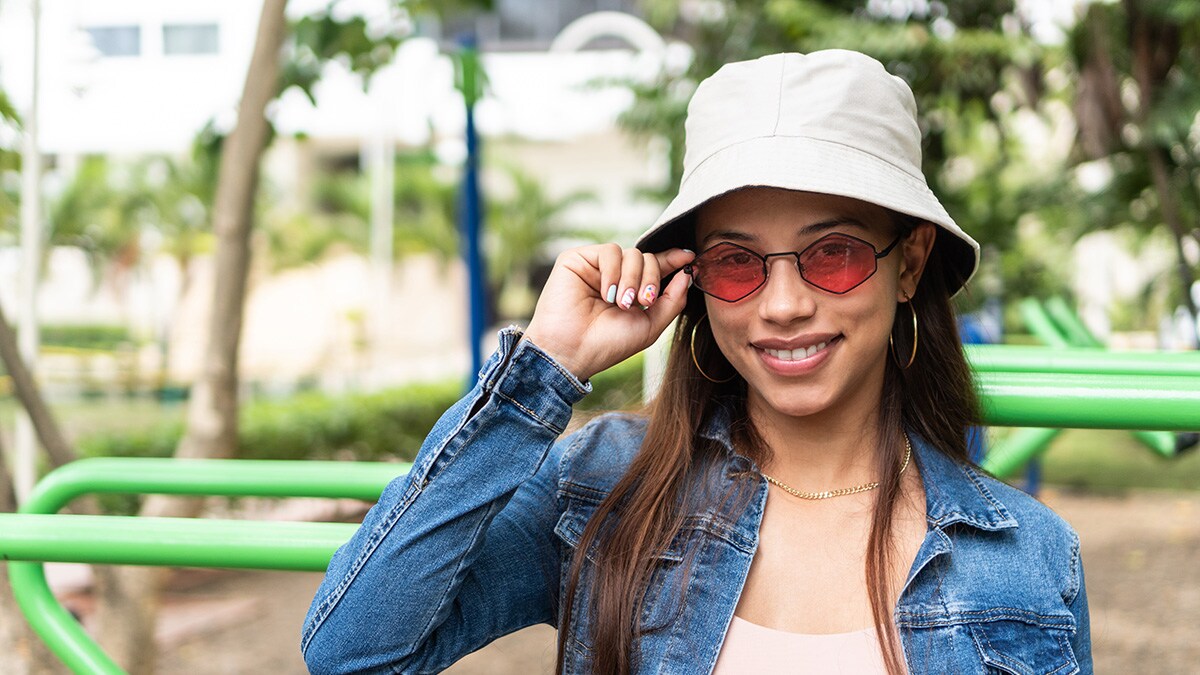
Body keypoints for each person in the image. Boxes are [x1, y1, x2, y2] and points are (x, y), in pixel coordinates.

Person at [301, 50, 1091, 675]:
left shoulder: (1028, 554)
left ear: (910, 262)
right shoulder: (606, 491)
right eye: (738, 262)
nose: (782, 303)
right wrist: (544, 366)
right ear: (696, 280)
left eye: (835, 253)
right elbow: (354, 649)